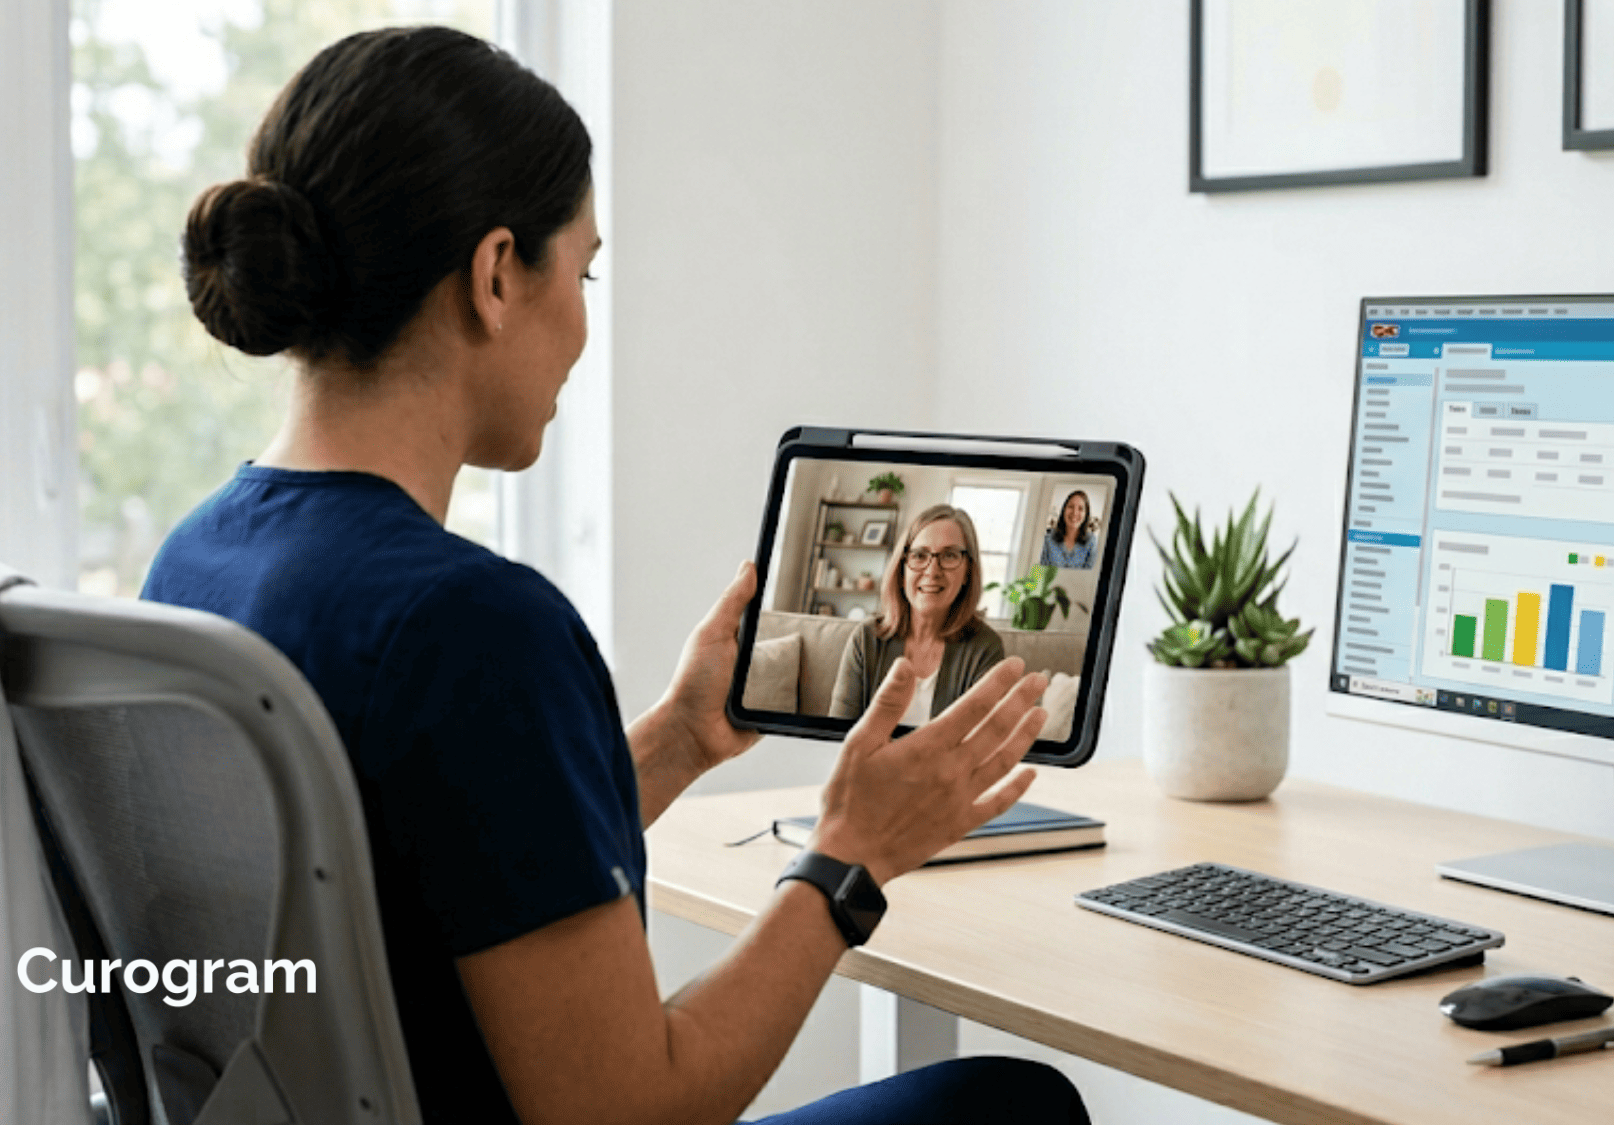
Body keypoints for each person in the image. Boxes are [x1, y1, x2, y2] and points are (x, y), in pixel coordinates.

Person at [141, 26, 1087, 1125]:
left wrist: (680, 736)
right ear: (497, 275)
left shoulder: (194, 562)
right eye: (581, 268)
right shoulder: (471, 628)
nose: (583, 325)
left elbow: (434, 863)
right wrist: (849, 860)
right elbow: (632, 1110)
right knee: (1008, 1106)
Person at [828, 506, 1008, 724]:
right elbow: (837, 737)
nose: (932, 571)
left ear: (968, 572)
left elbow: (976, 748)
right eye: (920, 555)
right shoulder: (866, 639)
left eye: (950, 555)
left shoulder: (985, 649)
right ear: (903, 570)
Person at [1038, 489, 1096, 569]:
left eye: (1080, 509)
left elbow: (1091, 575)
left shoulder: (1091, 541)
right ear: (1064, 510)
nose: (1075, 513)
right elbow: (1042, 572)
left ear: (1086, 515)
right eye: (1071, 507)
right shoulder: (1048, 540)